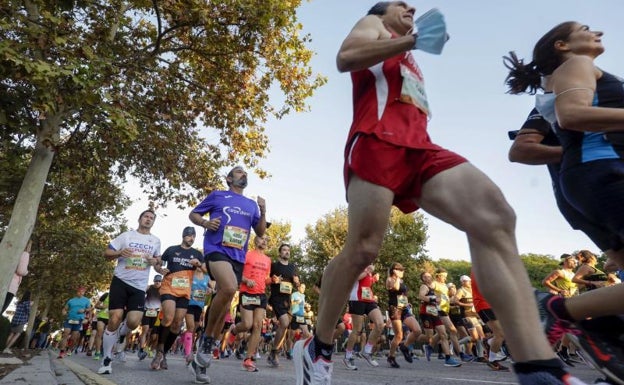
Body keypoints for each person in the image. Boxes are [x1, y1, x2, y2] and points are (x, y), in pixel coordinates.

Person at [293, 3, 581, 385]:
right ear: (384, 11)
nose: (411, 7)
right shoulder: (374, 24)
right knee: (364, 249)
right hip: (378, 142)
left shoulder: (408, 52)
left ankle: (536, 367)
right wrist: (409, 39)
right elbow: (346, 57)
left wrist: (410, 45)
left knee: (495, 217)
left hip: (421, 149)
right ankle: (319, 347)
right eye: (401, 4)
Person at [504, 21, 624, 384]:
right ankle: (559, 308)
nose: (597, 31)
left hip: (593, 179)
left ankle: (606, 343)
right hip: (603, 175)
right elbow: (572, 114)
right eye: (586, 28)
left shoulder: (568, 73)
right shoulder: (577, 65)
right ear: (562, 45)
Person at [189, 166, 266, 372]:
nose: (244, 174)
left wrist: (263, 210)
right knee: (230, 287)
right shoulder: (218, 196)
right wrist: (205, 222)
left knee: (225, 301)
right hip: (216, 250)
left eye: (245, 173)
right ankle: (207, 339)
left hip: (238, 256)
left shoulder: (251, 204)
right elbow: (193, 214)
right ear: (230, 178)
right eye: (239, 172)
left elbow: (259, 231)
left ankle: (205, 351)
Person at [98, 209, 161, 375]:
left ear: (153, 222)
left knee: (133, 322)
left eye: (151, 218)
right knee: (115, 318)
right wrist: (119, 252)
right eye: (146, 216)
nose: (148, 219)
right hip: (120, 281)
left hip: (139, 286)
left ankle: (121, 334)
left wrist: (155, 262)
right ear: (139, 218)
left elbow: (158, 263)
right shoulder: (126, 236)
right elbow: (107, 253)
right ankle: (106, 359)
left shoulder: (155, 241)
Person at [150, 226, 204, 372]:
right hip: (169, 287)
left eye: (193, 236)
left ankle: (164, 354)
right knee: (168, 318)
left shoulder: (196, 254)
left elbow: (206, 270)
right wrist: (160, 269)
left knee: (177, 324)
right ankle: (159, 351)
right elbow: (157, 262)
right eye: (189, 235)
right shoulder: (172, 250)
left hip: (185, 292)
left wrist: (198, 264)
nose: (191, 238)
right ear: (183, 236)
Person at [228, 234, 271, 372]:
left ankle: (248, 359)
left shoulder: (268, 259)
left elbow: (266, 279)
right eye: (262, 238)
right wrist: (246, 281)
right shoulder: (247, 254)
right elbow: (237, 273)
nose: (264, 241)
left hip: (261, 295)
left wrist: (273, 280)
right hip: (247, 293)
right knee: (247, 324)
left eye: (266, 239)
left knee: (258, 325)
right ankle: (234, 330)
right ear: (255, 240)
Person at [342, 264, 384, 370]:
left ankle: (367, 351)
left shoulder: (368, 267)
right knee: (357, 330)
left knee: (380, 324)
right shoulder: (357, 264)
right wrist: (368, 270)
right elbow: (354, 278)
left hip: (368, 299)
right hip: (356, 299)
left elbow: (365, 283)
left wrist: (373, 279)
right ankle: (348, 356)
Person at [267, 243, 299, 366]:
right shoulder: (274, 266)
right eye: (284, 250)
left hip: (287, 300)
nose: (286, 252)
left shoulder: (292, 267)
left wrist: (297, 282)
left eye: (288, 250)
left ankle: (273, 351)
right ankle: (274, 352)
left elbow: (296, 282)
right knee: (285, 323)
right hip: (276, 298)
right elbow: (266, 279)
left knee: (285, 326)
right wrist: (273, 280)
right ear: (280, 253)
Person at [57, 286, 91, 358]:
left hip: (78, 320)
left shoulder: (87, 300)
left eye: (82, 291)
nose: (81, 293)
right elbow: (65, 309)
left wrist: (84, 310)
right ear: (77, 292)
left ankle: (70, 349)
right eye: (79, 291)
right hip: (69, 319)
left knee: (73, 337)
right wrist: (64, 312)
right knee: (65, 334)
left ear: (84, 292)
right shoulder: (71, 300)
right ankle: (62, 352)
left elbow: (89, 308)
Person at [2, 240, 30, 314]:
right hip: (9, 287)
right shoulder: (22, 253)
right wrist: (27, 272)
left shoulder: (4, 248)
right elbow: (21, 270)